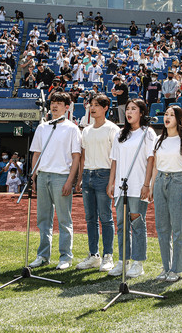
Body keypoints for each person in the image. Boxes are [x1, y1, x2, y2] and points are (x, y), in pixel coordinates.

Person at [28, 90, 83, 270]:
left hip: (61, 177)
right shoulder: (42, 127)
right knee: (43, 219)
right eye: (53, 102)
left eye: (59, 103)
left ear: (67, 108)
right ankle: (43, 255)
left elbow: (76, 157)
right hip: (43, 175)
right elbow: (36, 154)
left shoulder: (72, 128)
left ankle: (66, 256)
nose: (55, 105)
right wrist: (33, 177)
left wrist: (70, 181)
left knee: (64, 219)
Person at [107, 98, 157, 279]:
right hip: (121, 186)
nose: (129, 112)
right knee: (121, 224)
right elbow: (114, 160)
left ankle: (138, 262)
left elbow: (151, 160)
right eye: (127, 109)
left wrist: (147, 184)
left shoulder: (148, 133)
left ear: (141, 113)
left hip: (138, 186)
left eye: (133, 109)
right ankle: (123, 261)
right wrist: (111, 182)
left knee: (137, 223)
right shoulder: (120, 134)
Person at [143, 105, 182, 282]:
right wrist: (150, 186)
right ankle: (166, 267)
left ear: (178, 119)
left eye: (171, 115)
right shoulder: (158, 140)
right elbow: (156, 166)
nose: (167, 117)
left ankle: (177, 269)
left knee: (178, 228)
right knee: (162, 228)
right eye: (166, 114)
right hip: (160, 183)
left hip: (177, 181)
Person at [76, 94, 119, 272]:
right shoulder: (86, 130)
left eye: (96, 105)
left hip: (104, 174)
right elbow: (83, 157)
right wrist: (80, 178)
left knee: (106, 217)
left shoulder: (113, 129)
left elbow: (116, 158)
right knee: (90, 218)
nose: (92, 108)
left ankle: (108, 255)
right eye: (90, 105)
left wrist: (112, 181)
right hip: (88, 174)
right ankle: (93, 255)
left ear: (105, 108)